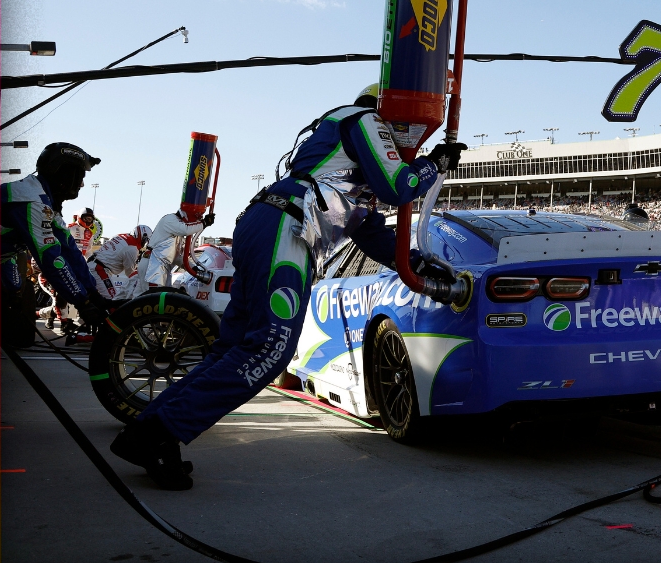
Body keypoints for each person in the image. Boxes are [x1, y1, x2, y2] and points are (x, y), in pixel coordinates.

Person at [111, 85, 466, 489]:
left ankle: (149, 430)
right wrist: (434, 164)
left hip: (269, 224)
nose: (409, 137)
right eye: (409, 127)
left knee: (235, 349)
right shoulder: (363, 118)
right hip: (285, 229)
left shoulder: (351, 174)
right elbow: (399, 186)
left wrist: (420, 264)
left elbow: (377, 239)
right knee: (270, 350)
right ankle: (158, 433)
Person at [1, 143, 108, 348]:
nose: (82, 185)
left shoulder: (45, 201)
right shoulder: (31, 201)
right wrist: (82, 302)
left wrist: (93, 294)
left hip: (2, 257)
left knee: (14, 293)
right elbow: (51, 259)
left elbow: (70, 252)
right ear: (63, 173)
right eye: (80, 177)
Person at [145, 210, 215, 288]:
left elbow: (177, 257)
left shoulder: (176, 231)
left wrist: (194, 268)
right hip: (152, 263)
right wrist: (204, 223)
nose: (195, 223)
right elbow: (186, 230)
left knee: (158, 295)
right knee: (151, 296)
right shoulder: (170, 219)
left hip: (159, 264)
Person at [88, 225, 151, 300]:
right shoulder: (132, 249)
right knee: (114, 300)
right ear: (143, 238)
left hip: (91, 263)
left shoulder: (120, 236)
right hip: (99, 269)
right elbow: (130, 273)